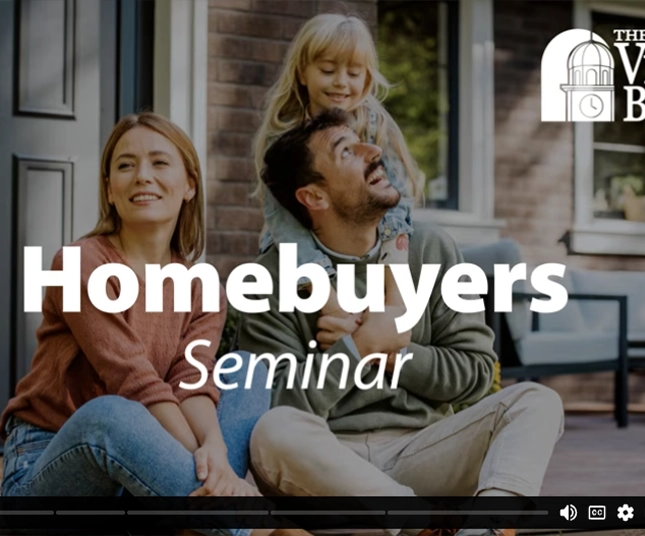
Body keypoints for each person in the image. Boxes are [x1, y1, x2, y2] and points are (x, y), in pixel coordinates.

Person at [239, 108, 566, 536]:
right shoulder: (273, 277)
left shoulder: (430, 249)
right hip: (327, 467)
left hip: (424, 449)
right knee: (272, 430)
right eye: (347, 152)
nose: (373, 151)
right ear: (313, 197)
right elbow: (278, 402)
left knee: (536, 402)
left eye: (364, 141)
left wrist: (396, 353)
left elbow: (476, 371)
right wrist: (358, 349)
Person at [0, 112, 306, 536]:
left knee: (247, 369)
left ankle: (199, 514)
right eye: (125, 165)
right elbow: (133, 381)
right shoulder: (80, 263)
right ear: (110, 188)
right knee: (111, 414)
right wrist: (214, 467)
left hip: (144, 477)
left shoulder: (200, 284)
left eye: (160, 163)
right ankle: (253, 527)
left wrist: (214, 449)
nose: (142, 176)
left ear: (189, 184)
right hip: (51, 473)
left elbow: (189, 381)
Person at [252, 13, 420, 322]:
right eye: (328, 70)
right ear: (302, 72)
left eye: (354, 73)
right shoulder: (284, 136)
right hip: (301, 250)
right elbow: (285, 228)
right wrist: (331, 305)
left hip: (370, 247)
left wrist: (394, 301)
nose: (341, 82)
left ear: (367, 79)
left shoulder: (375, 125)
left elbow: (395, 204)